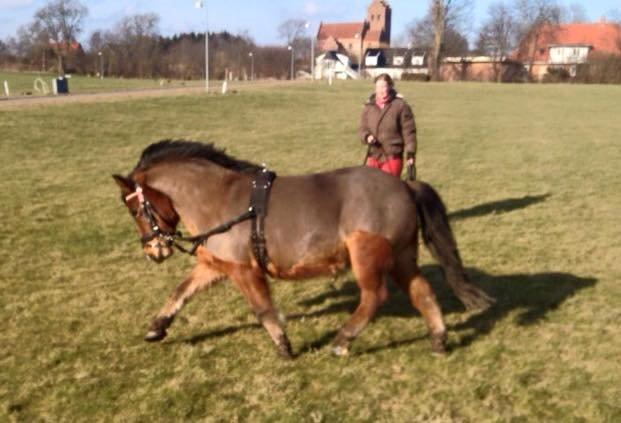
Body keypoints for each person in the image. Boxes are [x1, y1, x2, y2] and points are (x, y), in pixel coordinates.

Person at [358, 73, 417, 178]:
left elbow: (409, 132)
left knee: (387, 191)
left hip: (392, 156)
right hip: (373, 156)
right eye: (378, 87)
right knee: (368, 190)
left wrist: (410, 154)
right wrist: (367, 136)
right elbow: (362, 128)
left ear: (390, 86)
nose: (381, 90)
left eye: (384, 86)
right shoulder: (368, 107)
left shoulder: (400, 106)